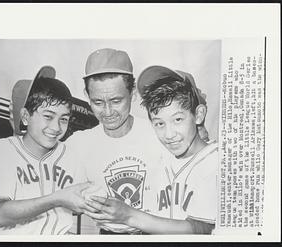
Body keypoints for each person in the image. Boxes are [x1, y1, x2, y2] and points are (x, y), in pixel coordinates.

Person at [82, 65, 218, 234]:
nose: (169, 134)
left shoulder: (215, 162)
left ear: (198, 115)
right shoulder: (166, 156)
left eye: (177, 119)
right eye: (159, 123)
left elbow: (202, 229)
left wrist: (129, 216)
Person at [64, 48, 167, 234]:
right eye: (98, 102)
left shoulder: (158, 133)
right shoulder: (77, 144)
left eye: (116, 100)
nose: (108, 111)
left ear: (133, 94)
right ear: (87, 96)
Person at [0, 66, 92, 235]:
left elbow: (76, 209)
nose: (56, 127)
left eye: (64, 119)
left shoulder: (72, 157)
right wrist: (56, 199)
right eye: (48, 116)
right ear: (25, 117)